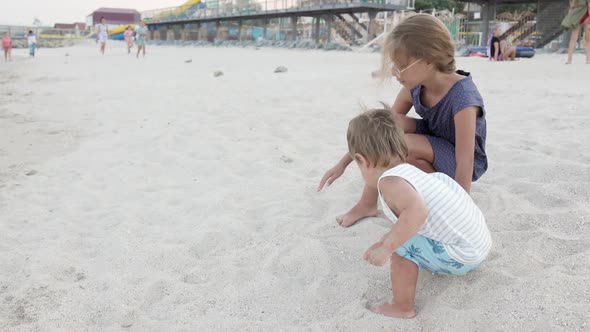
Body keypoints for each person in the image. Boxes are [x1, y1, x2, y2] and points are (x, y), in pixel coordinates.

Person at [318, 14, 488, 228]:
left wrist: (463, 209)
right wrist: (343, 163)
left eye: (401, 66)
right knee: (392, 124)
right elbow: (377, 130)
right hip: (433, 147)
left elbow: (466, 160)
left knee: (400, 144)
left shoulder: (462, 97)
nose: (395, 73)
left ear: (428, 60)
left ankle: (369, 202)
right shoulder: (415, 85)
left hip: (460, 160)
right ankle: (369, 204)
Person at [347, 108, 492, 318]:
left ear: (363, 160)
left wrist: (388, 247)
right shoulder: (411, 171)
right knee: (400, 232)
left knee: (401, 247)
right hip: (479, 243)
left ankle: (402, 307)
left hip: (464, 256)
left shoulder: (390, 182)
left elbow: (418, 211)